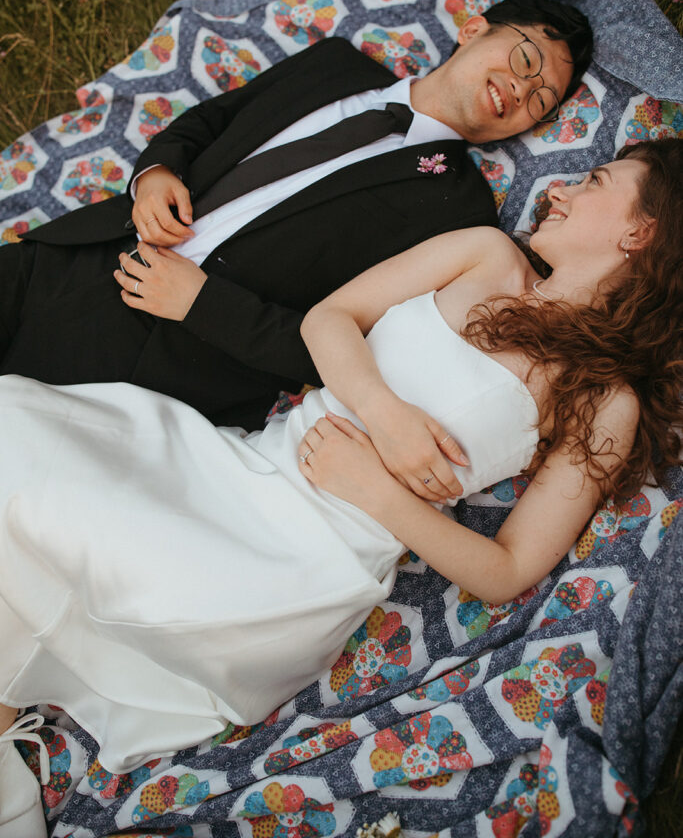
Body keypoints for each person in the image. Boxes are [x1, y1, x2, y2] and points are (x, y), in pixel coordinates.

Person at [0, 139, 680, 836]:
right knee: (20, 429)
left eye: (595, 180)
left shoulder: (603, 402)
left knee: (86, 539)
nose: (559, 188)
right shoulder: (485, 253)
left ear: (640, 231)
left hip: (307, 561)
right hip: (247, 467)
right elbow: (330, 319)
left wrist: (380, 494)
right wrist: (386, 420)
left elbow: (507, 569)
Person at [0, 0, 592, 431]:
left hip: (161, 363)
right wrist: (154, 174)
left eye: (540, 100)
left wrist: (202, 304)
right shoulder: (337, 65)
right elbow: (213, 120)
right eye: (525, 59)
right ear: (473, 29)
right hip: (76, 258)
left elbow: (358, 351)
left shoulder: (461, 215)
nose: (523, 89)